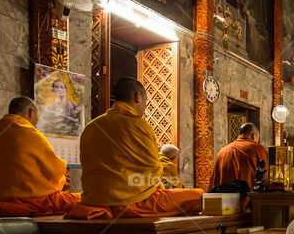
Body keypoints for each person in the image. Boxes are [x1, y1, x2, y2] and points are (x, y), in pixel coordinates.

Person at [66, 78, 203, 219]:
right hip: (133, 202)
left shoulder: (91, 127)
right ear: (138, 97)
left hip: (95, 199)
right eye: (145, 101)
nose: (144, 106)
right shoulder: (139, 125)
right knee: (198, 196)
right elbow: (154, 171)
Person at [0, 97, 80, 216]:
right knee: (82, 199)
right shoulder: (28, 132)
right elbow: (56, 171)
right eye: (37, 116)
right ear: (32, 112)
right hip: (31, 200)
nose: (37, 120)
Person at [210, 123, 268, 189]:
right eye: (258, 138)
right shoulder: (258, 149)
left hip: (224, 197)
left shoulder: (221, 152)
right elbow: (265, 177)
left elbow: (213, 181)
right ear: (253, 136)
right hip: (249, 197)